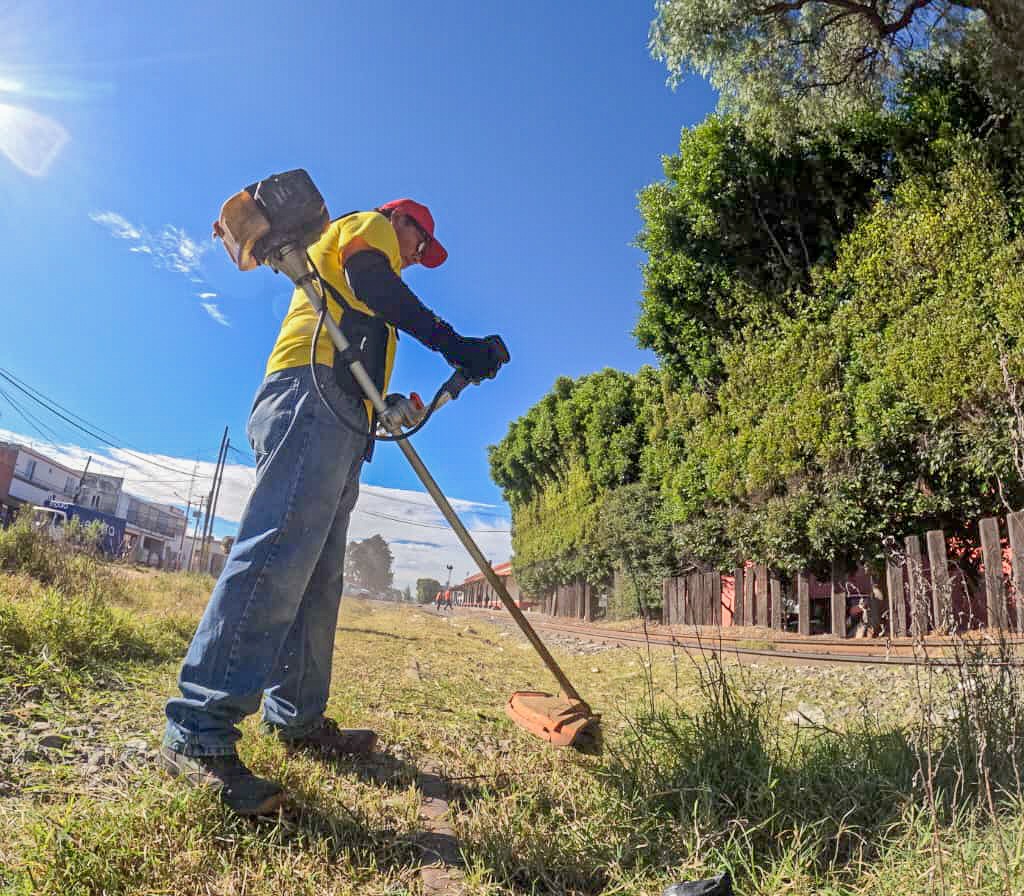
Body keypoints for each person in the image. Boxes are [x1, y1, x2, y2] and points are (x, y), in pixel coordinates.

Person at [160, 199, 507, 815]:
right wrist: (458, 345)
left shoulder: (370, 307)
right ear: (401, 220)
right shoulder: (363, 230)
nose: (417, 260)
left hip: (342, 416)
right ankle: (199, 731)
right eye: (419, 246)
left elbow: (367, 324)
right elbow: (376, 281)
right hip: (310, 395)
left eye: (423, 256)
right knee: (277, 554)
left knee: (318, 575)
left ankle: (294, 718)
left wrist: (392, 402)